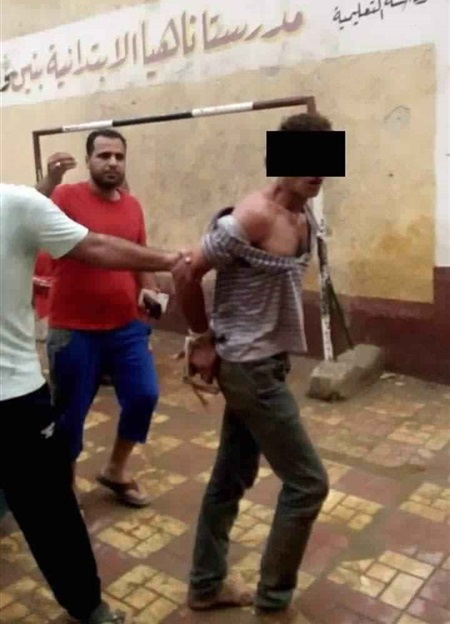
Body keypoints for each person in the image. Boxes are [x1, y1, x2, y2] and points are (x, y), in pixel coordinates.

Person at [0, 182, 186, 623]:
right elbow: (97, 247)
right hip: (43, 366)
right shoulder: (33, 201)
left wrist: (164, 265)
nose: (113, 163)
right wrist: (171, 259)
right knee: (47, 507)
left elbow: (100, 247)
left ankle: (86, 604)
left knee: (49, 509)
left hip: (14, 393)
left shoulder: (16, 204)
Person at [172, 112, 332, 614]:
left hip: (267, 363)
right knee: (308, 483)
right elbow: (186, 270)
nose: (317, 170)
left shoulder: (304, 219)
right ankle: (274, 600)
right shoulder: (254, 215)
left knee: (231, 478)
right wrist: (201, 339)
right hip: (249, 369)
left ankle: (205, 585)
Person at [41, 131, 166, 507]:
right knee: (70, 414)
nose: (112, 162)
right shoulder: (66, 196)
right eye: (104, 155)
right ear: (89, 160)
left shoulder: (132, 206)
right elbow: (32, 211)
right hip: (74, 329)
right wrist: (50, 180)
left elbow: (139, 255)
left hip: (127, 327)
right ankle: (64, 485)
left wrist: (152, 294)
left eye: (119, 156)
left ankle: (116, 469)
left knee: (144, 395)